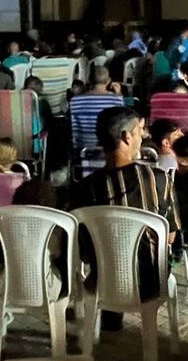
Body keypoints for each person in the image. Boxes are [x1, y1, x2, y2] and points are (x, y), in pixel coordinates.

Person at [71, 107, 179, 329]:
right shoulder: (159, 180)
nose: (143, 137)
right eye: (140, 131)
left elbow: (84, 249)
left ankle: (111, 316)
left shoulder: (86, 188)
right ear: (126, 137)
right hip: (150, 283)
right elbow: (169, 238)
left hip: (103, 280)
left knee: (109, 255)